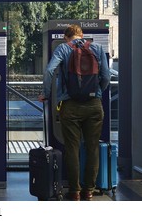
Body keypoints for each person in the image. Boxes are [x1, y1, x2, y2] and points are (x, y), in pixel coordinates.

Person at [38, 24, 110, 201]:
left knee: (72, 149)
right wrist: (97, 93)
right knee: (92, 148)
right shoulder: (97, 48)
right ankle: (89, 191)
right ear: (82, 35)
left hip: (70, 105)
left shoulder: (63, 48)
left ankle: (75, 191)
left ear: (66, 37)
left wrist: (46, 94)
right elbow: (107, 76)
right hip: (94, 105)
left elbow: (49, 71)